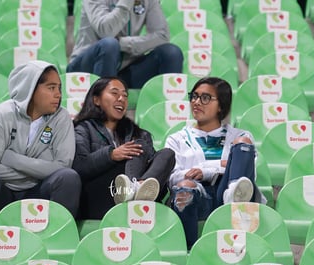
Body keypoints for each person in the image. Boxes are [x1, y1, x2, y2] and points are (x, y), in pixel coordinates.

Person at [0, 60, 81, 233]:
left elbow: (62, 166)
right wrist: (39, 168)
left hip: (38, 192)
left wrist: (12, 158)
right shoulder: (3, 114)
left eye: (59, 88)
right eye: (51, 88)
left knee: (68, 177)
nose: (58, 94)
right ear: (31, 88)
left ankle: (58, 238)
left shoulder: (61, 117)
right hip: (3, 193)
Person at [164, 77, 266, 250]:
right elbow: (172, 177)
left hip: (228, 189)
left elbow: (249, 175)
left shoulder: (239, 136)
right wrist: (224, 165)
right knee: (184, 187)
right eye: (194, 96)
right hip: (198, 196)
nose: (196, 102)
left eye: (205, 98)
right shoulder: (177, 139)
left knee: (243, 147)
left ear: (221, 106)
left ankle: (233, 197)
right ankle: (190, 250)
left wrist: (206, 171)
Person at [72, 76, 176, 219]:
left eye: (125, 96)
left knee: (167, 154)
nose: (121, 99)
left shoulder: (139, 133)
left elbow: (155, 174)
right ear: (96, 100)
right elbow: (80, 166)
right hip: (102, 195)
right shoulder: (83, 129)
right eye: (114, 93)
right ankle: (132, 190)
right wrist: (111, 155)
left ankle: (136, 189)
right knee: (136, 146)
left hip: (139, 201)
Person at [67, 0, 184, 89]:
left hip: (123, 69)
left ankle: (166, 115)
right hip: (87, 68)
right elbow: (106, 31)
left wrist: (124, 44)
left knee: (171, 53)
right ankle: (102, 116)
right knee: (109, 45)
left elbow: (162, 35)